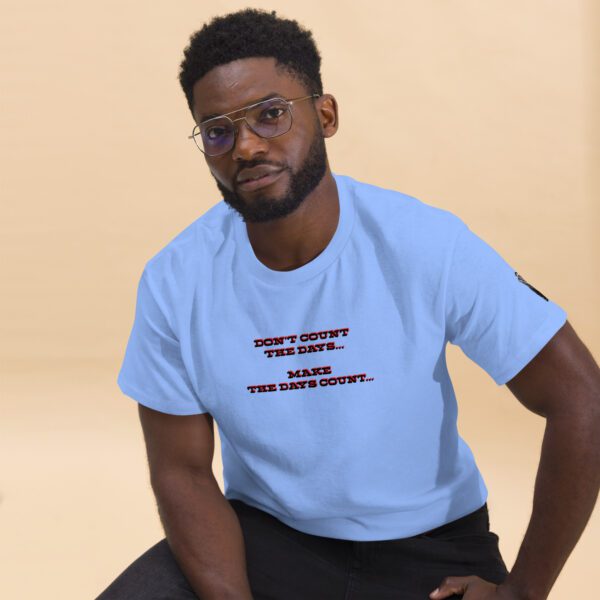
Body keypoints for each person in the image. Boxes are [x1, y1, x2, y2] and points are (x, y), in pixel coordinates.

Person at [97, 8, 600, 600]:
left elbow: (581, 399)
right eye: (218, 131)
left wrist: (523, 593)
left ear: (325, 114)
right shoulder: (175, 279)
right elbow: (180, 469)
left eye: (271, 114)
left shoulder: (425, 244)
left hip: (430, 547)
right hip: (267, 540)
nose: (247, 146)